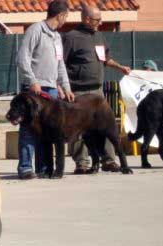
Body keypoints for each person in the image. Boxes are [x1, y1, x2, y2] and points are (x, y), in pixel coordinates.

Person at [63, 3, 131, 174]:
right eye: (97, 20)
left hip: (97, 91)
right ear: (86, 19)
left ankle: (109, 160)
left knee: (106, 125)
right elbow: (60, 64)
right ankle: (82, 163)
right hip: (77, 91)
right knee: (78, 129)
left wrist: (120, 67)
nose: (100, 23)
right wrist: (63, 88)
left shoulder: (99, 36)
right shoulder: (70, 37)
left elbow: (105, 59)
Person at [16, 0, 74, 179]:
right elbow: (22, 57)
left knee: (47, 131)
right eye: (66, 16)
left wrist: (66, 86)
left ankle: (42, 168)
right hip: (33, 90)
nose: (66, 20)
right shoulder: (35, 30)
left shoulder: (57, 37)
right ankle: (26, 168)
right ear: (61, 15)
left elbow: (60, 64)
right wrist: (32, 80)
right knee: (28, 129)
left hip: (52, 91)